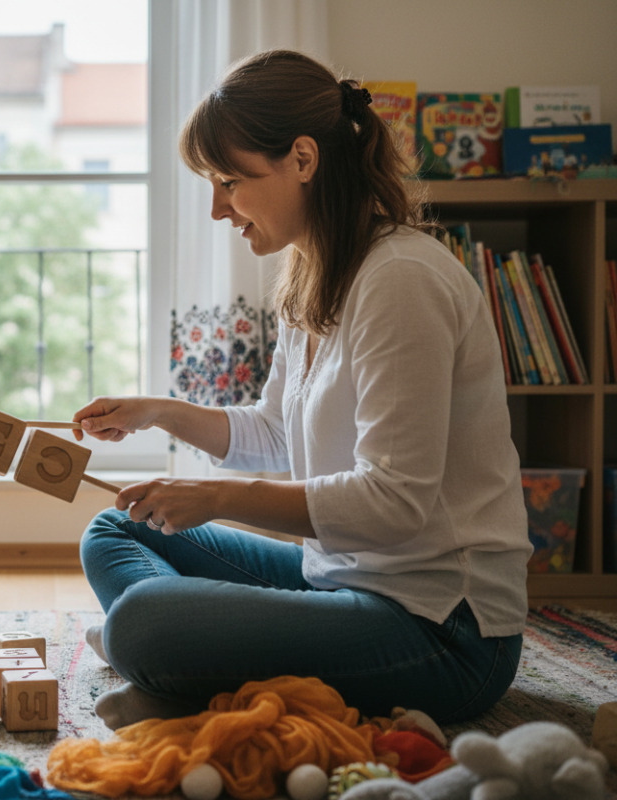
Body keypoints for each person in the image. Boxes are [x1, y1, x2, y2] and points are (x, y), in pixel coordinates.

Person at [71, 49, 531, 731]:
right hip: (341, 582)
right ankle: (189, 664)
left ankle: (179, 661)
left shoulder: (401, 281)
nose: (218, 209)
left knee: (143, 621)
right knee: (115, 530)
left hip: (443, 630)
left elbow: (395, 504)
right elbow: (276, 434)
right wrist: (159, 412)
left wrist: (217, 497)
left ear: (303, 160)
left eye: (230, 181)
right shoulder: (315, 275)